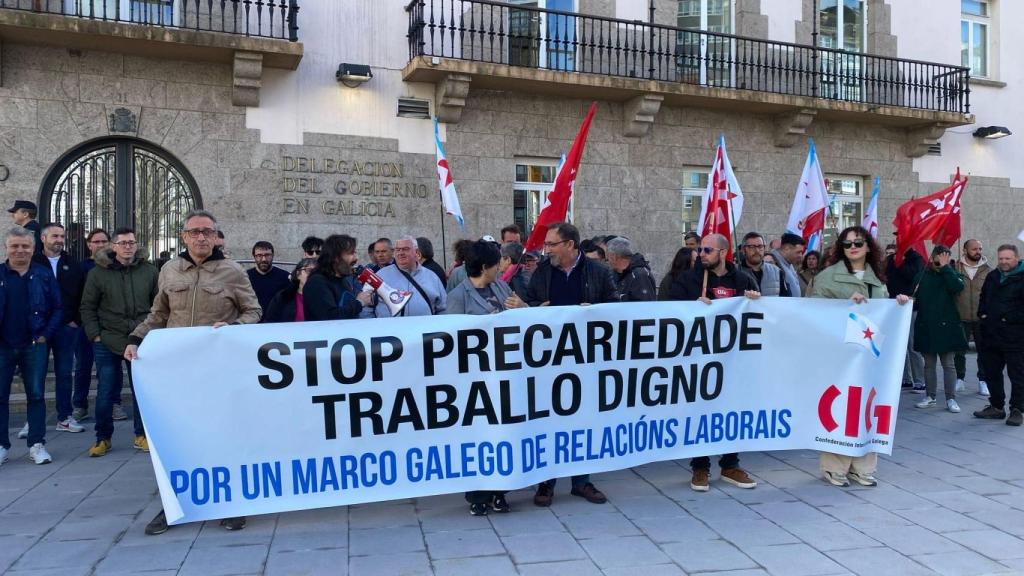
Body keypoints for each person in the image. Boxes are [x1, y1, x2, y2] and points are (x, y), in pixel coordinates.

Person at [124, 209, 261, 535]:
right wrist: (135, 339)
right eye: (195, 232)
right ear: (184, 236)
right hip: (179, 373)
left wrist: (234, 328)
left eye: (207, 232)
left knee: (222, 436)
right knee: (179, 439)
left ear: (216, 237)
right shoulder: (170, 270)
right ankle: (174, 504)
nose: (201, 237)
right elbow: (159, 314)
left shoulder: (233, 272)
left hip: (218, 371)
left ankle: (232, 503)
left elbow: (253, 311)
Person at [526, 222, 617, 507]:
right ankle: (547, 482)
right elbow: (529, 304)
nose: (547, 250)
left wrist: (597, 312)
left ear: (570, 245)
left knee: (583, 420)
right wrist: (534, 310)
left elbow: (616, 307)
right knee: (548, 420)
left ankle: (581, 481)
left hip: (585, 359)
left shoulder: (598, 272)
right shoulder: (542, 272)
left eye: (552, 244)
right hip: (549, 360)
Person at [812, 226, 911, 487]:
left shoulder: (877, 277)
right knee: (841, 407)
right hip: (840, 354)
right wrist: (843, 304)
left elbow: (882, 313)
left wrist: (897, 304)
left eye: (858, 242)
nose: (852, 247)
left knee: (867, 406)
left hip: (869, 355)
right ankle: (834, 466)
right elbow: (814, 312)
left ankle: (863, 466)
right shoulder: (827, 277)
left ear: (868, 246)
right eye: (847, 244)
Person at [666, 233, 761, 492]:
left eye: (707, 250)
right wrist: (691, 308)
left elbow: (759, 313)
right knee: (700, 410)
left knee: (732, 409)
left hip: (732, 360)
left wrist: (754, 301)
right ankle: (700, 466)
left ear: (723, 252)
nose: (701, 254)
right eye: (700, 250)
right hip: (700, 358)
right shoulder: (689, 279)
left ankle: (731, 464)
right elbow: (669, 310)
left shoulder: (742, 279)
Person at [444, 240, 525, 514]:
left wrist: (522, 307)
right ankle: (478, 494)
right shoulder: (458, 296)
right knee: (479, 436)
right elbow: (451, 339)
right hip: (476, 379)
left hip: (504, 375)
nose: (500, 267)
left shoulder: (501, 287)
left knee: (504, 433)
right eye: (496, 263)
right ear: (483, 266)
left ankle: (500, 490)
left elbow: (520, 319)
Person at [79, 227, 157, 457]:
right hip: (108, 339)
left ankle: (142, 435)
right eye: (122, 243)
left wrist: (152, 332)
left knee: (141, 391)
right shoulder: (98, 273)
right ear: (113, 246)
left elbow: (158, 304)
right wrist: (95, 335)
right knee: (106, 391)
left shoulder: (149, 271)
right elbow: (87, 306)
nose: (128, 247)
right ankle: (103, 437)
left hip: (140, 338)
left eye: (131, 242)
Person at [1, 226, 62, 467]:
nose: (20, 250)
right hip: (3, 346)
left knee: (36, 396)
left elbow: (58, 308)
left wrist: (46, 335)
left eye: (25, 246)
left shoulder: (43, 275)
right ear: (6, 248)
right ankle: (1, 446)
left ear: (33, 248)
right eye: (15, 246)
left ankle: (36, 444)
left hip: (34, 345)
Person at [34, 223, 86, 435]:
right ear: (43, 238)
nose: (59, 240)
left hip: (66, 327)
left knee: (64, 374)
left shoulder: (73, 264)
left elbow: (83, 295)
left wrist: (76, 320)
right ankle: (33, 420)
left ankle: (64, 417)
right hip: (38, 329)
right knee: (35, 374)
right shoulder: (33, 262)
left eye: (62, 236)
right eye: (55, 236)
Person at [973, 244, 1024, 427]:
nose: (1003, 262)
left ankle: (1017, 409)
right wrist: (982, 314)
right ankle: (996, 406)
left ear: (1016, 258)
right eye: (1001, 258)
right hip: (991, 334)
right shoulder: (993, 276)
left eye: (1007, 258)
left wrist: (1008, 318)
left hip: (1015, 336)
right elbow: (983, 297)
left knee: (1017, 375)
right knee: (991, 372)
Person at [912, 245, 967, 413]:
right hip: (926, 325)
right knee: (929, 365)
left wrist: (945, 268)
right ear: (932, 257)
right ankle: (930, 396)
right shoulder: (922, 275)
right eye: (940, 257)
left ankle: (951, 398)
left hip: (947, 326)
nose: (942, 260)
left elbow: (957, 287)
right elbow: (914, 298)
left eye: (946, 257)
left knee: (948, 364)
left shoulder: (952, 273)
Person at [73, 228, 115, 423]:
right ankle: (80, 405)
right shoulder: (81, 267)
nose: (100, 245)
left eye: (104, 241)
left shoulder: (114, 266)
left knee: (109, 368)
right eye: (96, 242)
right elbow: (75, 295)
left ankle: (114, 404)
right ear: (89, 245)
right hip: (85, 325)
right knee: (83, 366)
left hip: (109, 325)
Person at [372, 236, 446, 317]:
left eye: (405, 249)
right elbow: (367, 306)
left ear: (417, 253)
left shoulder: (432, 277)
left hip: (425, 325)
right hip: (389, 325)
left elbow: (443, 308)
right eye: (398, 250)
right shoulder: (381, 275)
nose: (400, 253)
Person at [954, 239, 992, 397]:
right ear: (965, 250)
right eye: (974, 249)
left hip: (981, 317)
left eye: (980, 248)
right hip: (960, 316)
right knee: (959, 351)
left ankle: (983, 381)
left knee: (983, 351)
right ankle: (959, 378)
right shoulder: (955, 268)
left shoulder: (988, 270)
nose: (978, 251)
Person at [886, 242, 926, 392]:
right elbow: (886, 277)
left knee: (912, 345)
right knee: (899, 345)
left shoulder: (916, 258)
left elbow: (913, 276)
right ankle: (905, 379)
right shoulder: (891, 259)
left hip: (910, 306)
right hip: (894, 306)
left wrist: (901, 262)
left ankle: (920, 380)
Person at [303, 235, 371, 321]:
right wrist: (359, 303)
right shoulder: (317, 282)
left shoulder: (343, 281)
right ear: (336, 257)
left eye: (355, 253)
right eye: (351, 253)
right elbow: (329, 318)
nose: (356, 258)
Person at [265, 258, 319, 323]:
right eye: (309, 271)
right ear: (298, 274)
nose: (313, 275)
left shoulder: (323, 298)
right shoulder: (283, 297)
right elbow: (270, 321)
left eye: (316, 272)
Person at [247, 241, 291, 319]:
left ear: (273, 255)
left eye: (267, 255)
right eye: (259, 255)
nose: (264, 259)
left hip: (277, 322)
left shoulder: (285, 277)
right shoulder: (245, 277)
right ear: (254, 256)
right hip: (253, 322)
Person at [738, 232, 791, 297]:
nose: (757, 250)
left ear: (764, 248)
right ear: (743, 250)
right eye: (751, 247)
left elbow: (786, 299)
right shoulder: (735, 273)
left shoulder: (777, 272)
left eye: (760, 246)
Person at [605, 237, 656, 302]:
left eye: (607, 259)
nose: (607, 262)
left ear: (613, 257)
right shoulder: (616, 274)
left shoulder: (639, 276)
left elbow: (646, 305)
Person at [769, 233, 805, 297]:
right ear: (786, 249)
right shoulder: (771, 263)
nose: (800, 255)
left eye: (802, 252)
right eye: (798, 252)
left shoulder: (789, 262)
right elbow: (770, 293)